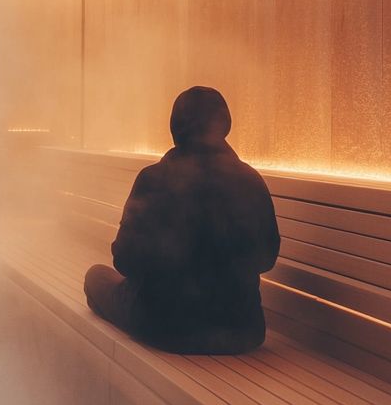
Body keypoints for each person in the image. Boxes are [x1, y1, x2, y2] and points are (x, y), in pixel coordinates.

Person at [83, 86, 280, 355]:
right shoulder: (251, 180)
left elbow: (126, 261)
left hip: (168, 327)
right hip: (243, 330)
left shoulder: (154, 179)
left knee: (96, 276)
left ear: (175, 127)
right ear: (225, 125)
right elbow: (267, 258)